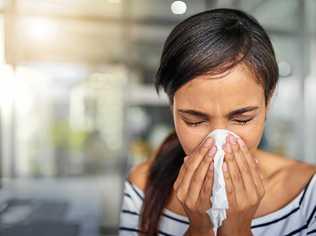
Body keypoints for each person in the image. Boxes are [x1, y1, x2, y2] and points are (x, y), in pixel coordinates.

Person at [119, 8, 316, 236]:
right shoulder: (143, 188)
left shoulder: (308, 193)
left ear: (268, 102)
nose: (218, 143)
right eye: (194, 120)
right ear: (172, 107)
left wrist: (238, 228)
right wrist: (200, 228)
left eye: (242, 119)